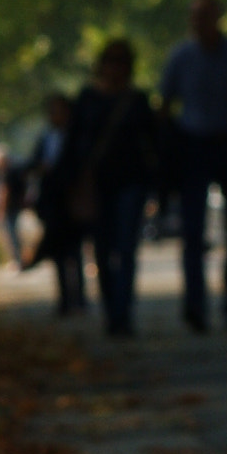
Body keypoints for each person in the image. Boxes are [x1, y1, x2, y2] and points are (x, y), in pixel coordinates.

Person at [159, 0, 227, 332]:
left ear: (218, 18)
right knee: (192, 230)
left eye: (205, 16)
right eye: (194, 17)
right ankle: (195, 305)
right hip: (193, 147)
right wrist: (166, 147)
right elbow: (164, 104)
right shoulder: (181, 57)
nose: (198, 23)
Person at [67, 39, 162, 337]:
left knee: (126, 248)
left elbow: (154, 144)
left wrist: (157, 184)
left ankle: (123, 313)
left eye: (121, 61)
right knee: (103, 249)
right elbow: (72, 144)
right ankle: (111, 310)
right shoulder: (86, 99)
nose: (116, 67)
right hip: (96, 185)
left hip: (131, 184)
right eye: (111, 60)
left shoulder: (137, 101)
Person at [27, 93, 86, 314]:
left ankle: (79, 298)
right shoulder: (45, 138)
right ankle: (64, 299)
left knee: (74, 250)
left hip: (72, 199)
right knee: (59, 252)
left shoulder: (77, 137)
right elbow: (33, 162)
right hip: (53, 201)